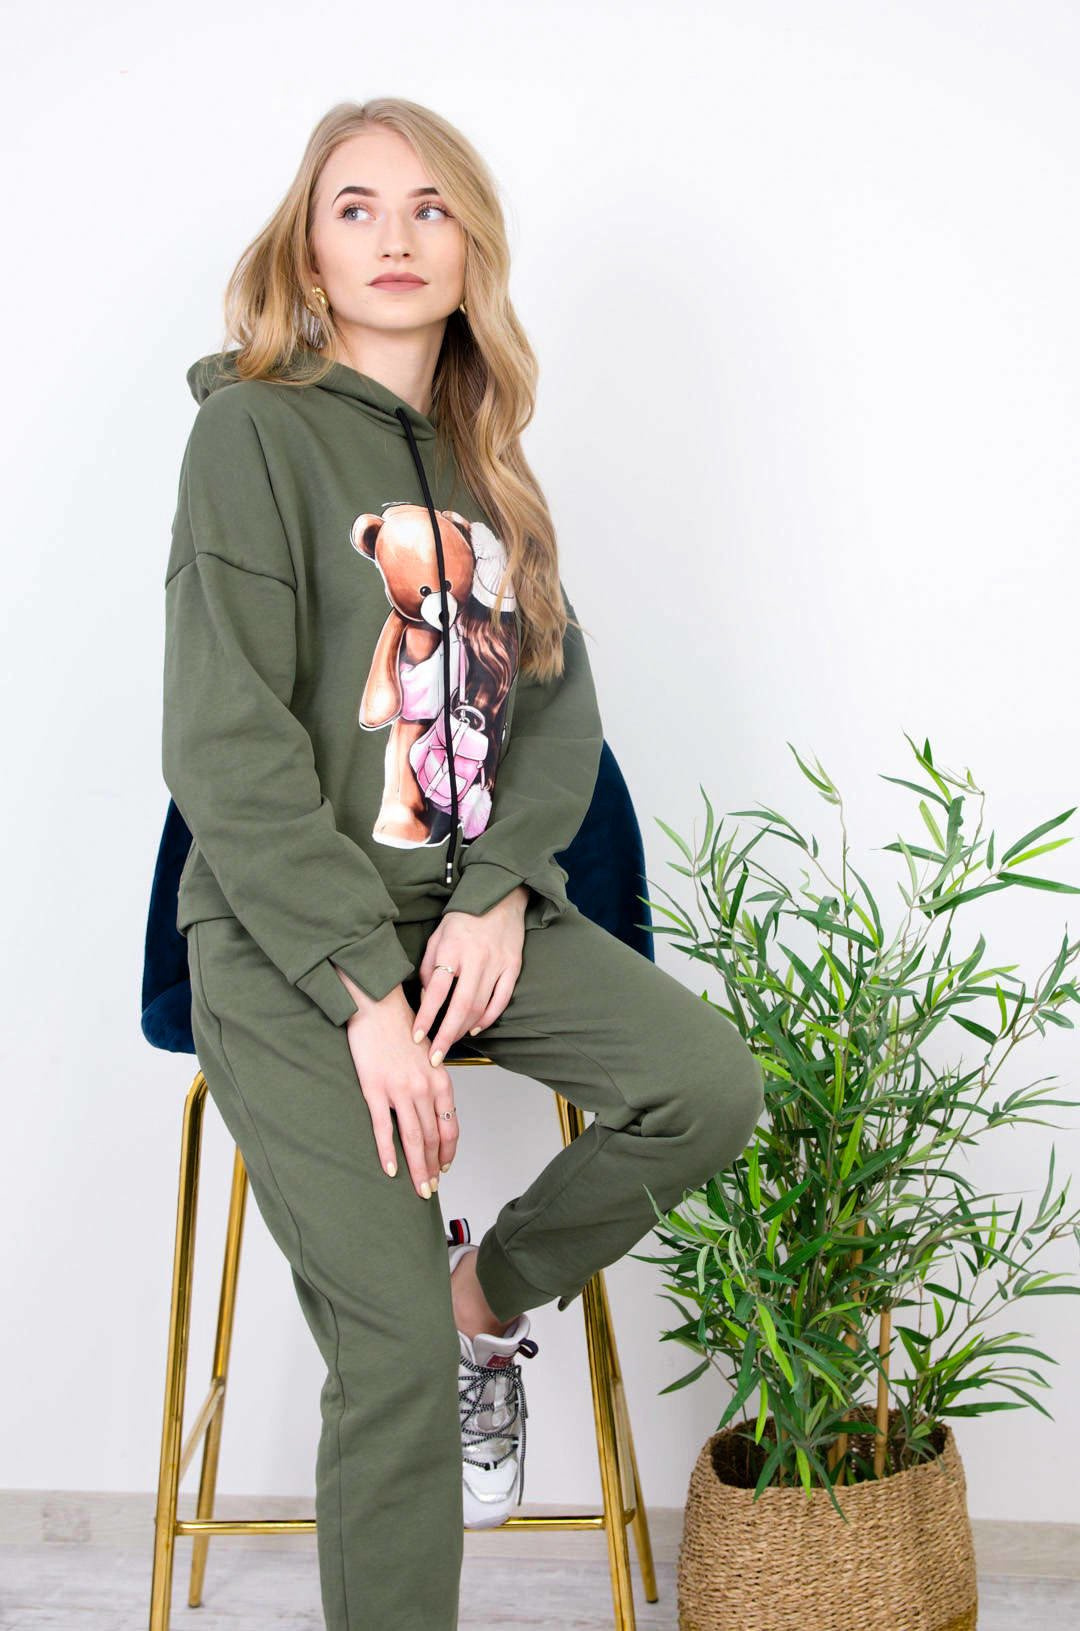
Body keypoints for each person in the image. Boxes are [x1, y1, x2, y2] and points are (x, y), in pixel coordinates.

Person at [160, 96, 764, 1631]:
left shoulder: (491, 460)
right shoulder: (250, 435)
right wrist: (362, 995)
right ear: (307, 250)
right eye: (356, 207)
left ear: (471, 246)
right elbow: (225, 742)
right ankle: (426, 1343)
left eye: (430, 207)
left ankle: (478, 1300)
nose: (395, 237)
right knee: (388, 1364)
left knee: (706, 1085)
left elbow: (556, 717)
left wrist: (496, 896)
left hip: (464, 919)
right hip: (289, 942)